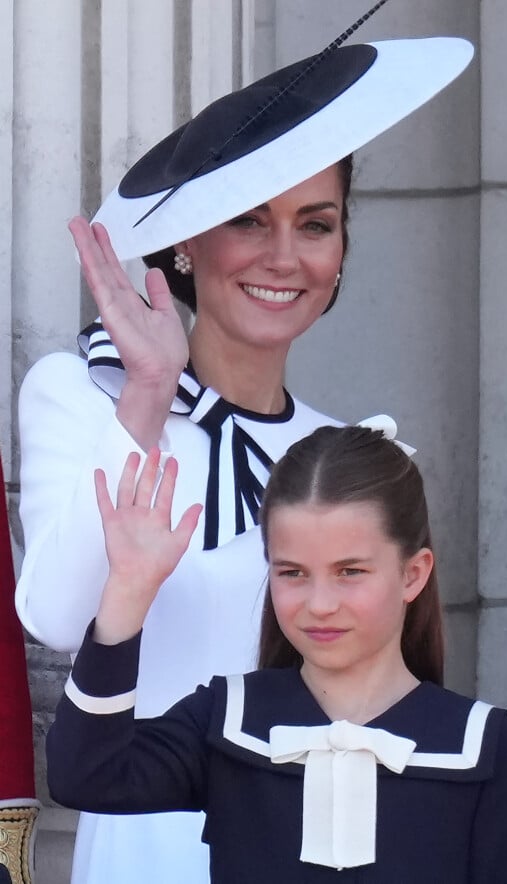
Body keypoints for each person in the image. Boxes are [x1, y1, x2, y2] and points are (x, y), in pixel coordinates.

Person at [15, 5, 474, 881]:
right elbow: (56, 616)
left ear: (342, 248)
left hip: (326, 850)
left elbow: (404, 696)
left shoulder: (354, 456)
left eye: (315, 223)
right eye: (249, 221)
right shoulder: (89, 395)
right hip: (150, 847)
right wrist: (150, 395)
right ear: (189, 243)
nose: (284, 256)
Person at [46, 425, 507, 883]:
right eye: (292, 573)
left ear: (413, 574)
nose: (320, 605)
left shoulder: (484, 744)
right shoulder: (228, 719)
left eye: (350, 572)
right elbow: (84, 775)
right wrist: (128, 593)